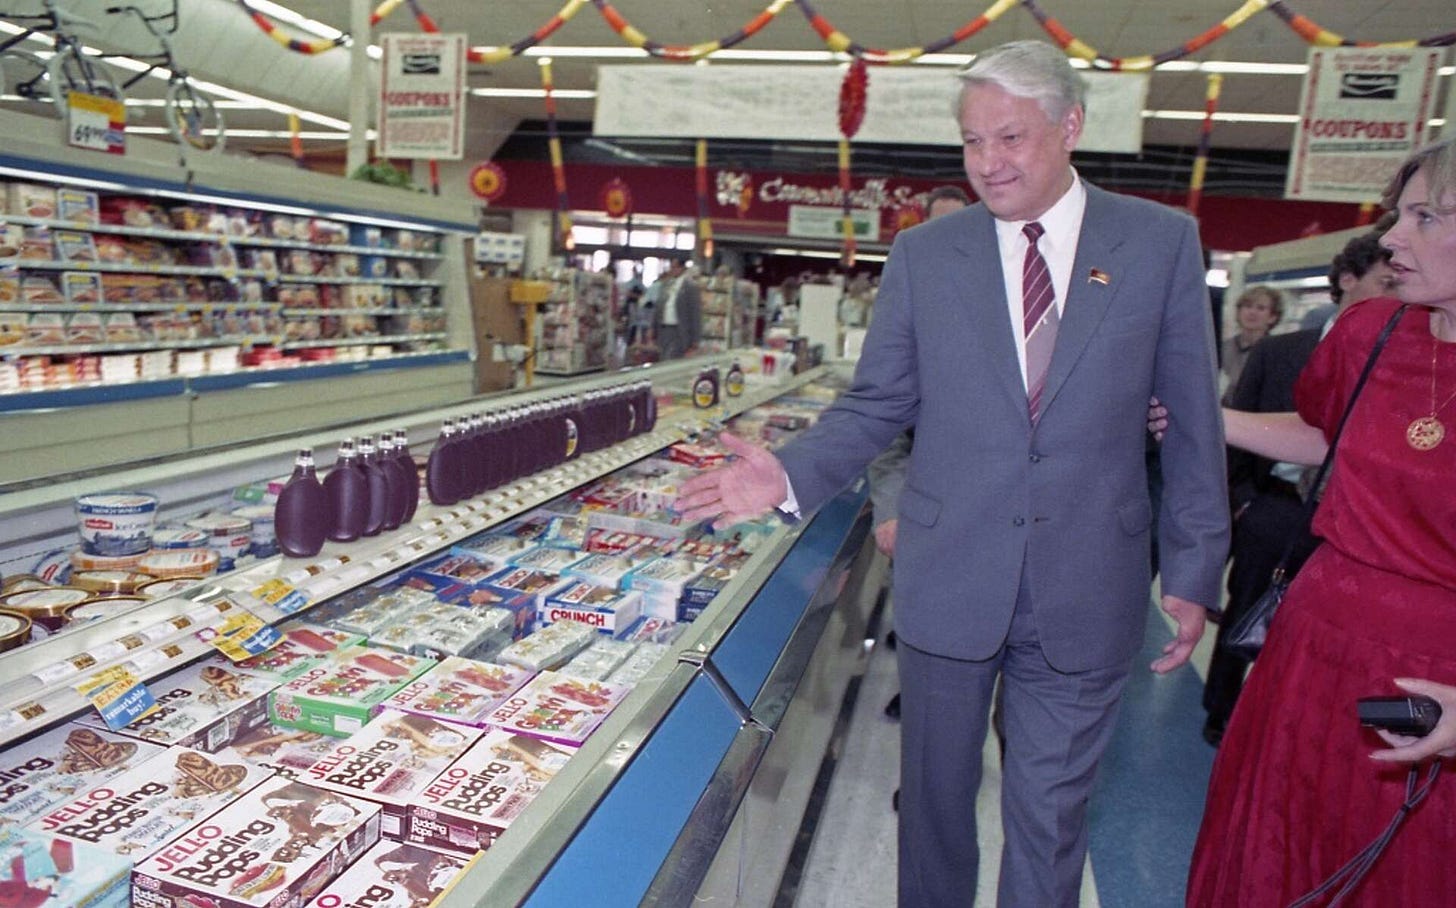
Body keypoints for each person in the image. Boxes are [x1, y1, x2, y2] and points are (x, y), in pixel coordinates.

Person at [678, 40, 1228, 907]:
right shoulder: (928, 256)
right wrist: (787, 476)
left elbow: (1192, 419)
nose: (987, 163)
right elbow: (877, 404)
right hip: (950, 571)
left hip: (1090, 576)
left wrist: (1195, 570)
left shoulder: (1159, 243)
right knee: (933, 808)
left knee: (1050, 817)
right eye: (972, 142)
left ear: (1070, 125)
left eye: (1009, 138)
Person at [1188, 135, 1456, 906]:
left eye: (1426, 218)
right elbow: (1325, 433)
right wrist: (1209, 416)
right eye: (1399, 215)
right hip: (1313, 650)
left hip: (1433, 682)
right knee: (1283, 844)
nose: (1393, 238)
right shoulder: (1370, 333)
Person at [1200, 226, 1396, 747]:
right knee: (1245, 611)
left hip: (1347, 527)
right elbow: (1253, 427)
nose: (1395, 293)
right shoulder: (1284, 352)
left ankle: (1279, 724)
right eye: (1385, 280)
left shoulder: (1400, 359)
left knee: (1310, 635)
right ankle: (1219, 713)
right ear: (1348, 280)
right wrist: (1241, 502)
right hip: (1276, 507)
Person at [869, 184, 971, 729]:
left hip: (991, 523)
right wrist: (888, 507)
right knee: (922, 619)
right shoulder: (907, 313)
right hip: (922, 505)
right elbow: (884, 425)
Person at [1220, 284, 1284, 402]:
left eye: (1260, 308)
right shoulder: (1224, 348)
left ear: (1272, 317)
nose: (1252, 312)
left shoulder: (1278, 353)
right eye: (1248, 306)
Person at [649, 259, 701, 359]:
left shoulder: (690, 287)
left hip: (679, 330)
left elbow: (695, 313)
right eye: (671, 267)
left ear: (681, 268)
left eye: (674, 267)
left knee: (673, 356)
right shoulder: (666, 284)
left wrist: (695, 339)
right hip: (664, 327)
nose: (672, 270)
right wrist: (652, 327)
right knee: (663, 356)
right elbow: (658, 306)